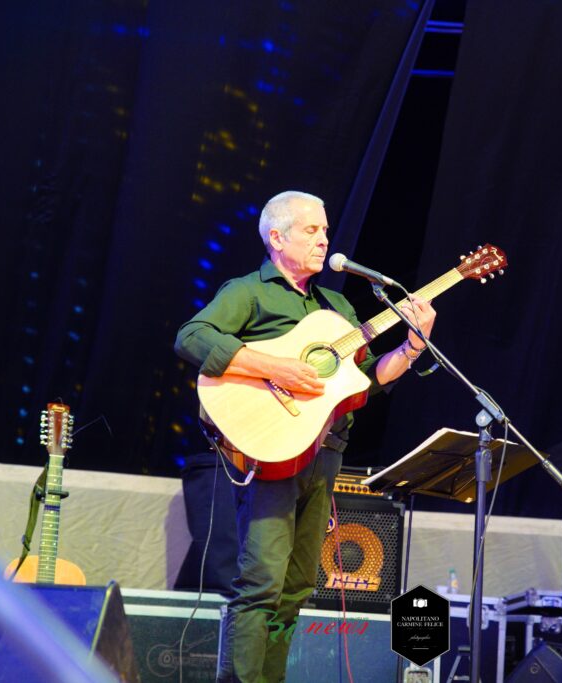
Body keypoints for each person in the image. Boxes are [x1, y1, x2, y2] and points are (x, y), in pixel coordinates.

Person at [175, 190, 436, 683]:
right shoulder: (249, 292)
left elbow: (364, 381)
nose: (324, 240)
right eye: (311, 230)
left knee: (296, 589)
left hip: (326, 453)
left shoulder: (336, 306)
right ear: (277, 237)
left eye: (326, 230)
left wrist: (411, 346)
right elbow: (192, 336)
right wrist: (277, 368)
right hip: (273, 451)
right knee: (262, 583)